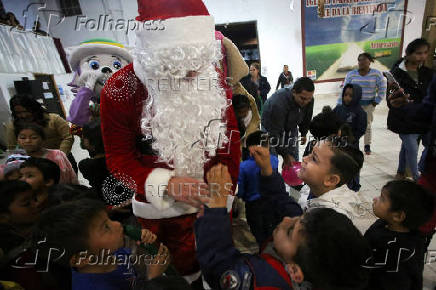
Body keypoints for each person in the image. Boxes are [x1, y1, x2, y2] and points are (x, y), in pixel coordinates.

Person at [99, 0, 243, 279]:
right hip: (159, 219)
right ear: (154, 55)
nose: (192, 74)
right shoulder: (119, 89)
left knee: (217, 270)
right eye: (178, 65)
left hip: (212, 207)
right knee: (171, 279)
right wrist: (164, 185)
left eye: (198, 63)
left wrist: (224, 189)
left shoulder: (210, 75)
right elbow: (118, 162)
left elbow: (230, 141)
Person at [195, 164, 370, 289]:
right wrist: (269, 173)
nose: (286, 220)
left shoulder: (264, 282)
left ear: (294, 271)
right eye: (300, 218)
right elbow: (287, 206)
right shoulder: (305, 244)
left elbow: (218, 263)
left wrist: (217, 205)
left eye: (290, 230)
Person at [33, 198, 170, 290]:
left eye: (110, 220)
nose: (117, 224)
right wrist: (154, 279)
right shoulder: (91, 286)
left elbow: (133, 265)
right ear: (82, 258)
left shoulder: (111, 253)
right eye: (106, 227)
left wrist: (140, 246)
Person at [251, 139, 375, 234]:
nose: (304, 158)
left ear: (331, 179)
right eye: (310, 153)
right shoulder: (316, 189)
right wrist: (267, 169)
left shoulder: (327, 220)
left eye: (314, 159)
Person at [366, 180, 435, 290]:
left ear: (398, 216)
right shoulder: (384, 224)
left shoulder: (395, 252)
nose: (375, 199)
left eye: (382, 198)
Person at [388, 38, 434, 181]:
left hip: (422, 118)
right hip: (404, 119)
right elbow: (390, 99)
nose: (422, 57)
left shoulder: (428, 73)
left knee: (407, 147)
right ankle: (416, 177)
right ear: (408, 54)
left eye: (425, 53)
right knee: (412, 148)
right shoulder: (396, 73)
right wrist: (398, 102)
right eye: (418, 53)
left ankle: (401, 172)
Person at [7, 95, 77, 172]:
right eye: (18, 113)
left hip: (63, 159)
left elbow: (68, 137)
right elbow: (12, 148)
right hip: (33, 165)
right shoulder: (13, 127)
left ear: (34, 108)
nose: (23, 115)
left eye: (26, 111)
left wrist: (59, 156)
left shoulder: (54, 119)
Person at [262, 77, 314, 168]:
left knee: (293, 161)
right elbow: (274, 134)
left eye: (309, 99)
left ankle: (293, 180)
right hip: (270, 128)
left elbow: (307, 117)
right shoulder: (278, 103)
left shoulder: (308, 99)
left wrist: (304, 133)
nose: (306, 102)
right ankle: (274, 179)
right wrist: (285, 155)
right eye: (303, 98)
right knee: (271, 161)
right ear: (294, 92)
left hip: (290, 125)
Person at [237, 131, 278, 246]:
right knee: (270, 226)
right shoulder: (274, 160)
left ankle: (262, 248)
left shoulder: (243, 167)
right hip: (271, 200)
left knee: (257, 228)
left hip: (253, 204)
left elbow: (240, 189)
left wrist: (241, 196)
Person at [342, 53, 387, 155]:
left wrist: (377, 100)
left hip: (369, 105)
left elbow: (382, 87)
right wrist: (345, 103)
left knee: (367, 125)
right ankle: (352, 144)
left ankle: (367, 146)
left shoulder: (376, 74)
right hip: (354, 105)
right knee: (351, 125)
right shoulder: (351, 74)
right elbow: (345, 89)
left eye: (364, 60)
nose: (361, 62)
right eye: (359, 60)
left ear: (369, 61)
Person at [334, 83, 367, 191]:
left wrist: (350, 139)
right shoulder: (338, 108)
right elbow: (332, 121)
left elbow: (361, 129)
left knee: (352, 167)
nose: (347, 98)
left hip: (351, 146)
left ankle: (354, 186)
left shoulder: (360, 112)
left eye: (351, 96)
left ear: (357, 96)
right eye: (345, 95)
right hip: (338, 145)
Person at [78, 120, 110, 197]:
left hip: (103, 200)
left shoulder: (86, 165)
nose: (82, 137)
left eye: (84, 136)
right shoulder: (120, 158)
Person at [232, 93, 260, 160]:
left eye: (244, 111)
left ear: (249, 108)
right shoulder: (232, 121)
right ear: (234, 110)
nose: (242, 114)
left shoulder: (253, 119)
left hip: (249, 148)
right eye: (239, 112)